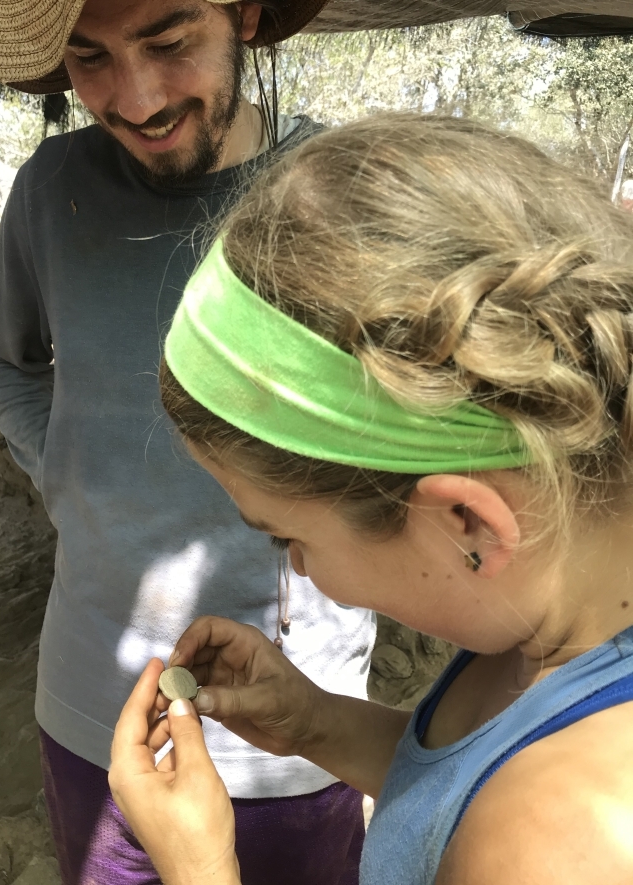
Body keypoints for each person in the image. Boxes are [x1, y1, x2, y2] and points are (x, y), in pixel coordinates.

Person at [108, 113, 633, 885]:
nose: (294, 565)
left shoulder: (560, 843)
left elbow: (499, 825)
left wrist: (200, 870)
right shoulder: (550, 627)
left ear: (467, 521)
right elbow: (462, 794)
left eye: (288, 536)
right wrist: (316, 722)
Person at [0, 2, 374, 884]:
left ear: (243, 15)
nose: (135, 99)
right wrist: (62, 468)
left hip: (293, 724)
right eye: (88, 58)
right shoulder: (51, 188)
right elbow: (4, 359)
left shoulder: (341, 197)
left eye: (169, 43)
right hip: (92, 713)